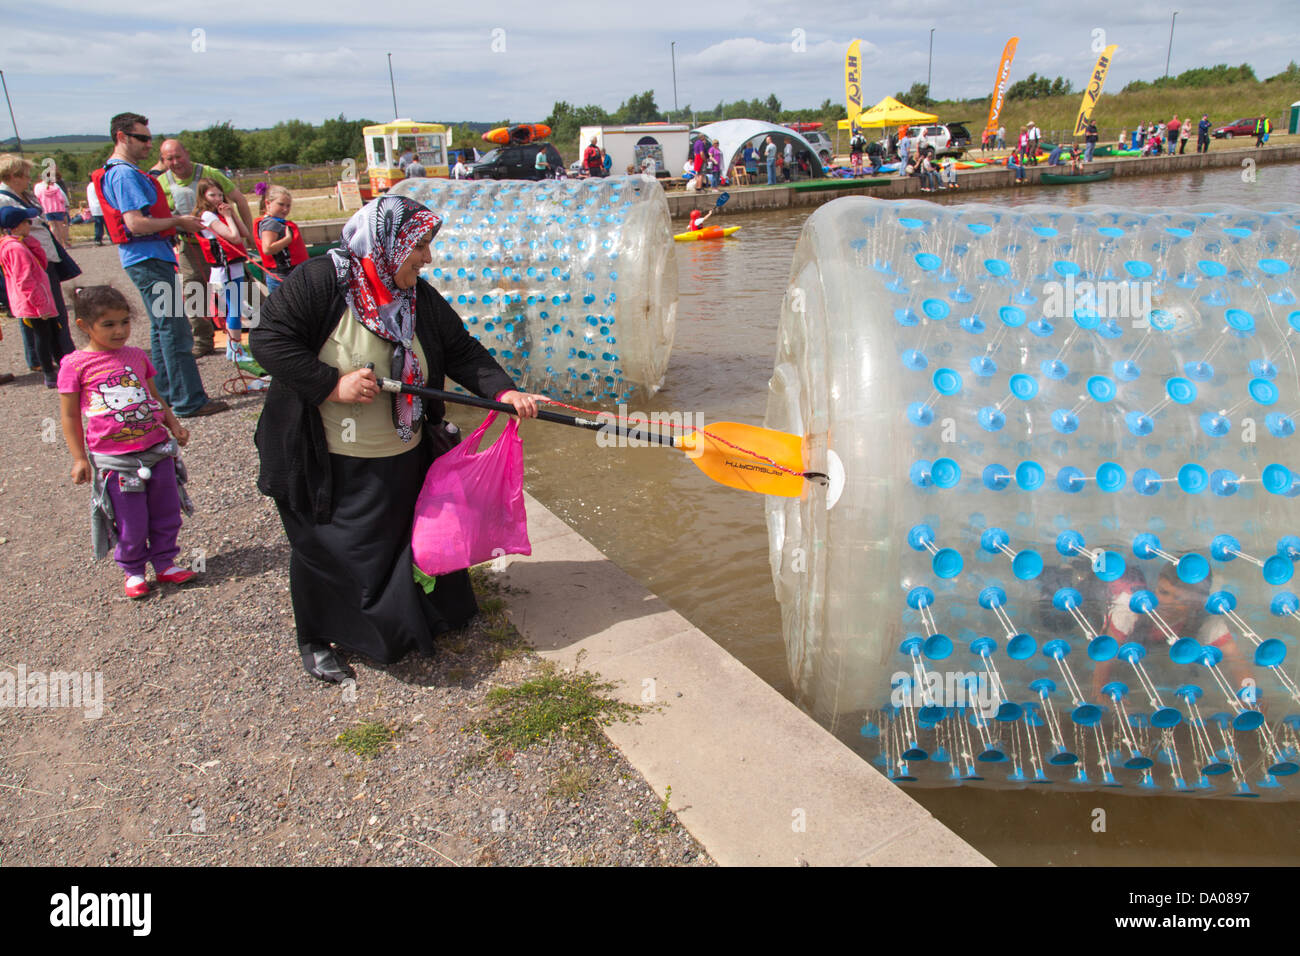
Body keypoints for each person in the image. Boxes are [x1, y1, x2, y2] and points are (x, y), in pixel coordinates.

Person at [250, 195, 544, 682]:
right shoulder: (322, 280)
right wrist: (332, 384)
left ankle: (407, 624)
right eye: (420, 246)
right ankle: (318, 638)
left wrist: (505, 391)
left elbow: (460, 349)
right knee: (330, 550)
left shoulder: (416, 296)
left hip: (401, 450)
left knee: (396, 542)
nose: (427, 257)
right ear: (388, 242)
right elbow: (268, 340)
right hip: (328, 456)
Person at [58, 285, 196, 600]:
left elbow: (153, 395)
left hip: (157, 451)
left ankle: (164, 562)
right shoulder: (75, 365)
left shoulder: (136, 356)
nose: (120, 330)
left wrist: (173, 424)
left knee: (167, 511)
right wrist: (79, 458)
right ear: (83, 326)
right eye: (109, 324)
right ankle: (134, 570)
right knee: (131, 518)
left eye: (124, 322)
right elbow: (68, 416)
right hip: (115, 460)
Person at [92, 112, 228, 417]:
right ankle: (187, 400)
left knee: (162, 329)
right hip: (148, 257)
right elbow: (136, 223)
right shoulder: (124, 174)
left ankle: (167, 393)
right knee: (175, 328)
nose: (147, 144)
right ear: (122, 137)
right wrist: (179, 221)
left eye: (149, 138)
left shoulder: (125, 171)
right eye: (142, 138)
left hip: (148, 257)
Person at [159, 139, 256, 357]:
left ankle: (271, 328)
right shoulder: (162, 182)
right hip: (190, 245)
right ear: (163, 161)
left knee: (246, 290)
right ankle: (203, 340)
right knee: (194, 290)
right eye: (169, 159)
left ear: (187, 153)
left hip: (223, 247)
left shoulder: (209, 174)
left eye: (178, 156)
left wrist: (248, 237)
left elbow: (239, 200)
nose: (175, 162)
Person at [0, 154, 76, 368]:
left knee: (43, 309)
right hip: (28, 261)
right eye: (24, 175)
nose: (28, 179)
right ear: (12, 176)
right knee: (39, 310)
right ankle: (56, 356)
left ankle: (48, 355)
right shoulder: (4, 199)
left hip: (40, 256)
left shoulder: (21, 195)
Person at [0, 205, 62, 386]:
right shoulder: (16, 249)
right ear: (17, 226)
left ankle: (62, 367)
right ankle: (50, 374)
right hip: (34, 303)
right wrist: (40, 304)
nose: (30, 224)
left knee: (53, 332)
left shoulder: (18, 244)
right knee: (43, 336)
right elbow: (25, 280)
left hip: (33, 300)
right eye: (27, 222)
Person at [192, 178, 249, 362]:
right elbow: (233, 237)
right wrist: (229, 217)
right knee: (234, 310)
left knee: (236, 308)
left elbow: (244, 233)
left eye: (219, 194)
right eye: (212, 195)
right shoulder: (208, 216)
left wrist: (231, 213)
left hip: (235, 268)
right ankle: (235, 350)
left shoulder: (220, 214)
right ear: (203, 196)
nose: (217, 199)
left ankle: (234, 349)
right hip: (224, 272)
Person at [256, 185, 308, 295]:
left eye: (288, 206)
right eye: (281, 204)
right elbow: (267, 248)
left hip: (289, 275)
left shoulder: (276, 222)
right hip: (281, 277)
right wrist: (287, 239)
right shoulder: (271, 223)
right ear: (268, 203)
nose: (285, 209)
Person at [34, 169, 71, 246]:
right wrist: (66, 205)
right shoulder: (55, 186)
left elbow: (37, 197)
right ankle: (63, 242)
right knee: (60, 226)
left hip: (47, 210)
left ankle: (56, 243)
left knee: (52, 227)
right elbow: (62, 198)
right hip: (58, 209)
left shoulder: (39, 187)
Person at [86, 180, 106, 245]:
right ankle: (111, 237)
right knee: (105, 224)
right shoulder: (97, 185)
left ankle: (98, 239)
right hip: (100, 206)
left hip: (93, 207)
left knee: (98, 224)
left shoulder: (89, 186)